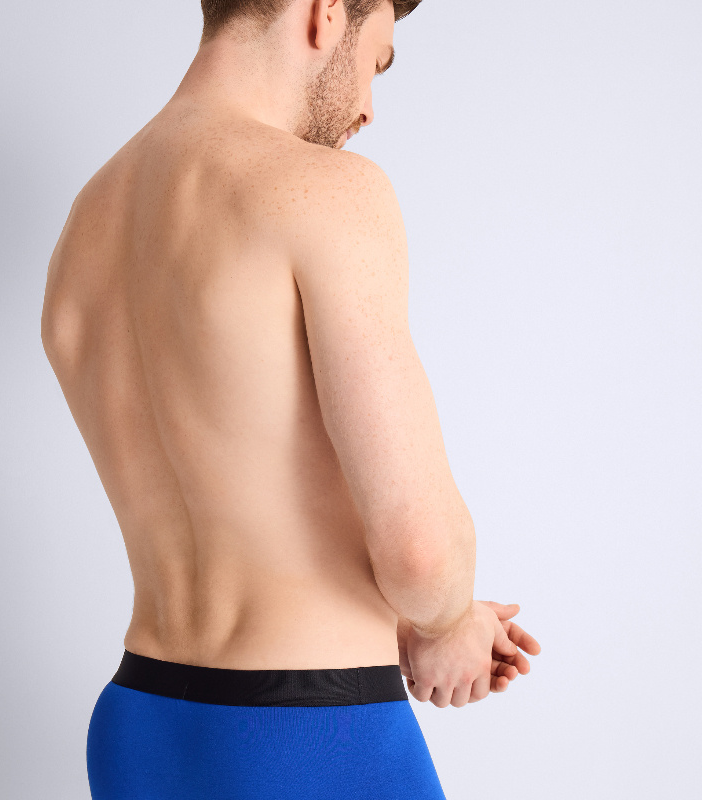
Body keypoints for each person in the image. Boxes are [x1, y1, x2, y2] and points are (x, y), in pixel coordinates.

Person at [40, 0, 541, 796]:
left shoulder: (86, 224)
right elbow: (419, 551)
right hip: (312, 736)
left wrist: (417, 616)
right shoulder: (325, 192)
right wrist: (447, 622)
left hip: (140, 726)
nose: (368, 108)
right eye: (376, 62)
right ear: (326, 14)